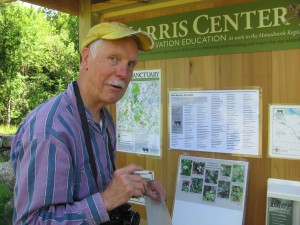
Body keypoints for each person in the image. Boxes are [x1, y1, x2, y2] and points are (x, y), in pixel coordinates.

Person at [10, 21, 166, 225]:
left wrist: (137, 185)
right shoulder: (50, 130)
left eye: (130, 64)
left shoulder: (104, 117)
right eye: (113, 58)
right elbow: (31, 221)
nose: (123, 73)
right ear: (86, 58)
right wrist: (107, 200)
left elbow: (95, 184)